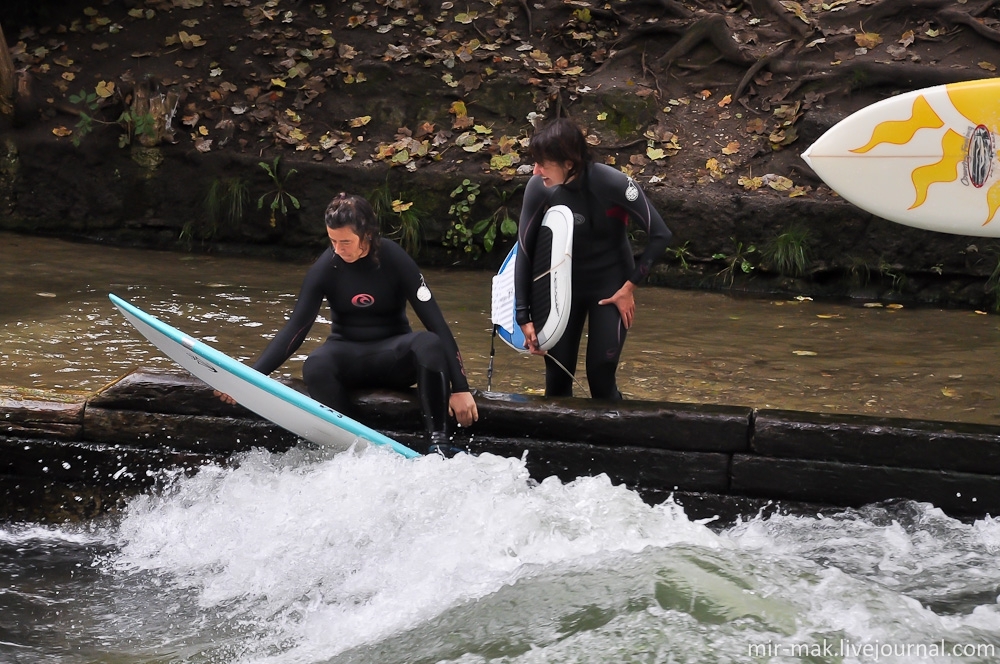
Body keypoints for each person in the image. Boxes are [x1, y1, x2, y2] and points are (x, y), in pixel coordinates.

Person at [224, 193, 477, 451]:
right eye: (332, 241)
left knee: (430, 344)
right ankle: (355, 443)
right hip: (349, 356)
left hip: (394, 358)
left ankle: (439, 442)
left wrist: (460, 387)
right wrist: (250, 378)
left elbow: (436, 322)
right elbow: (295, 329)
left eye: (345, 242)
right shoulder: (326, 267)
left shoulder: (395, 259)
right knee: (315, 365)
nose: (338, 250)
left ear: (366, 234)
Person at [515, 117, 672, 400]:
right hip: (561, 290)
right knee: (558, 377)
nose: (536, 170)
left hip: (610, 287)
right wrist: (523, 316)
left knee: (601, 373)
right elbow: (525, 252)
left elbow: (661, 235)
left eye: (543, 163)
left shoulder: (612, 183)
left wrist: (629, 288)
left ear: (569, 162)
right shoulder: (538, 188)